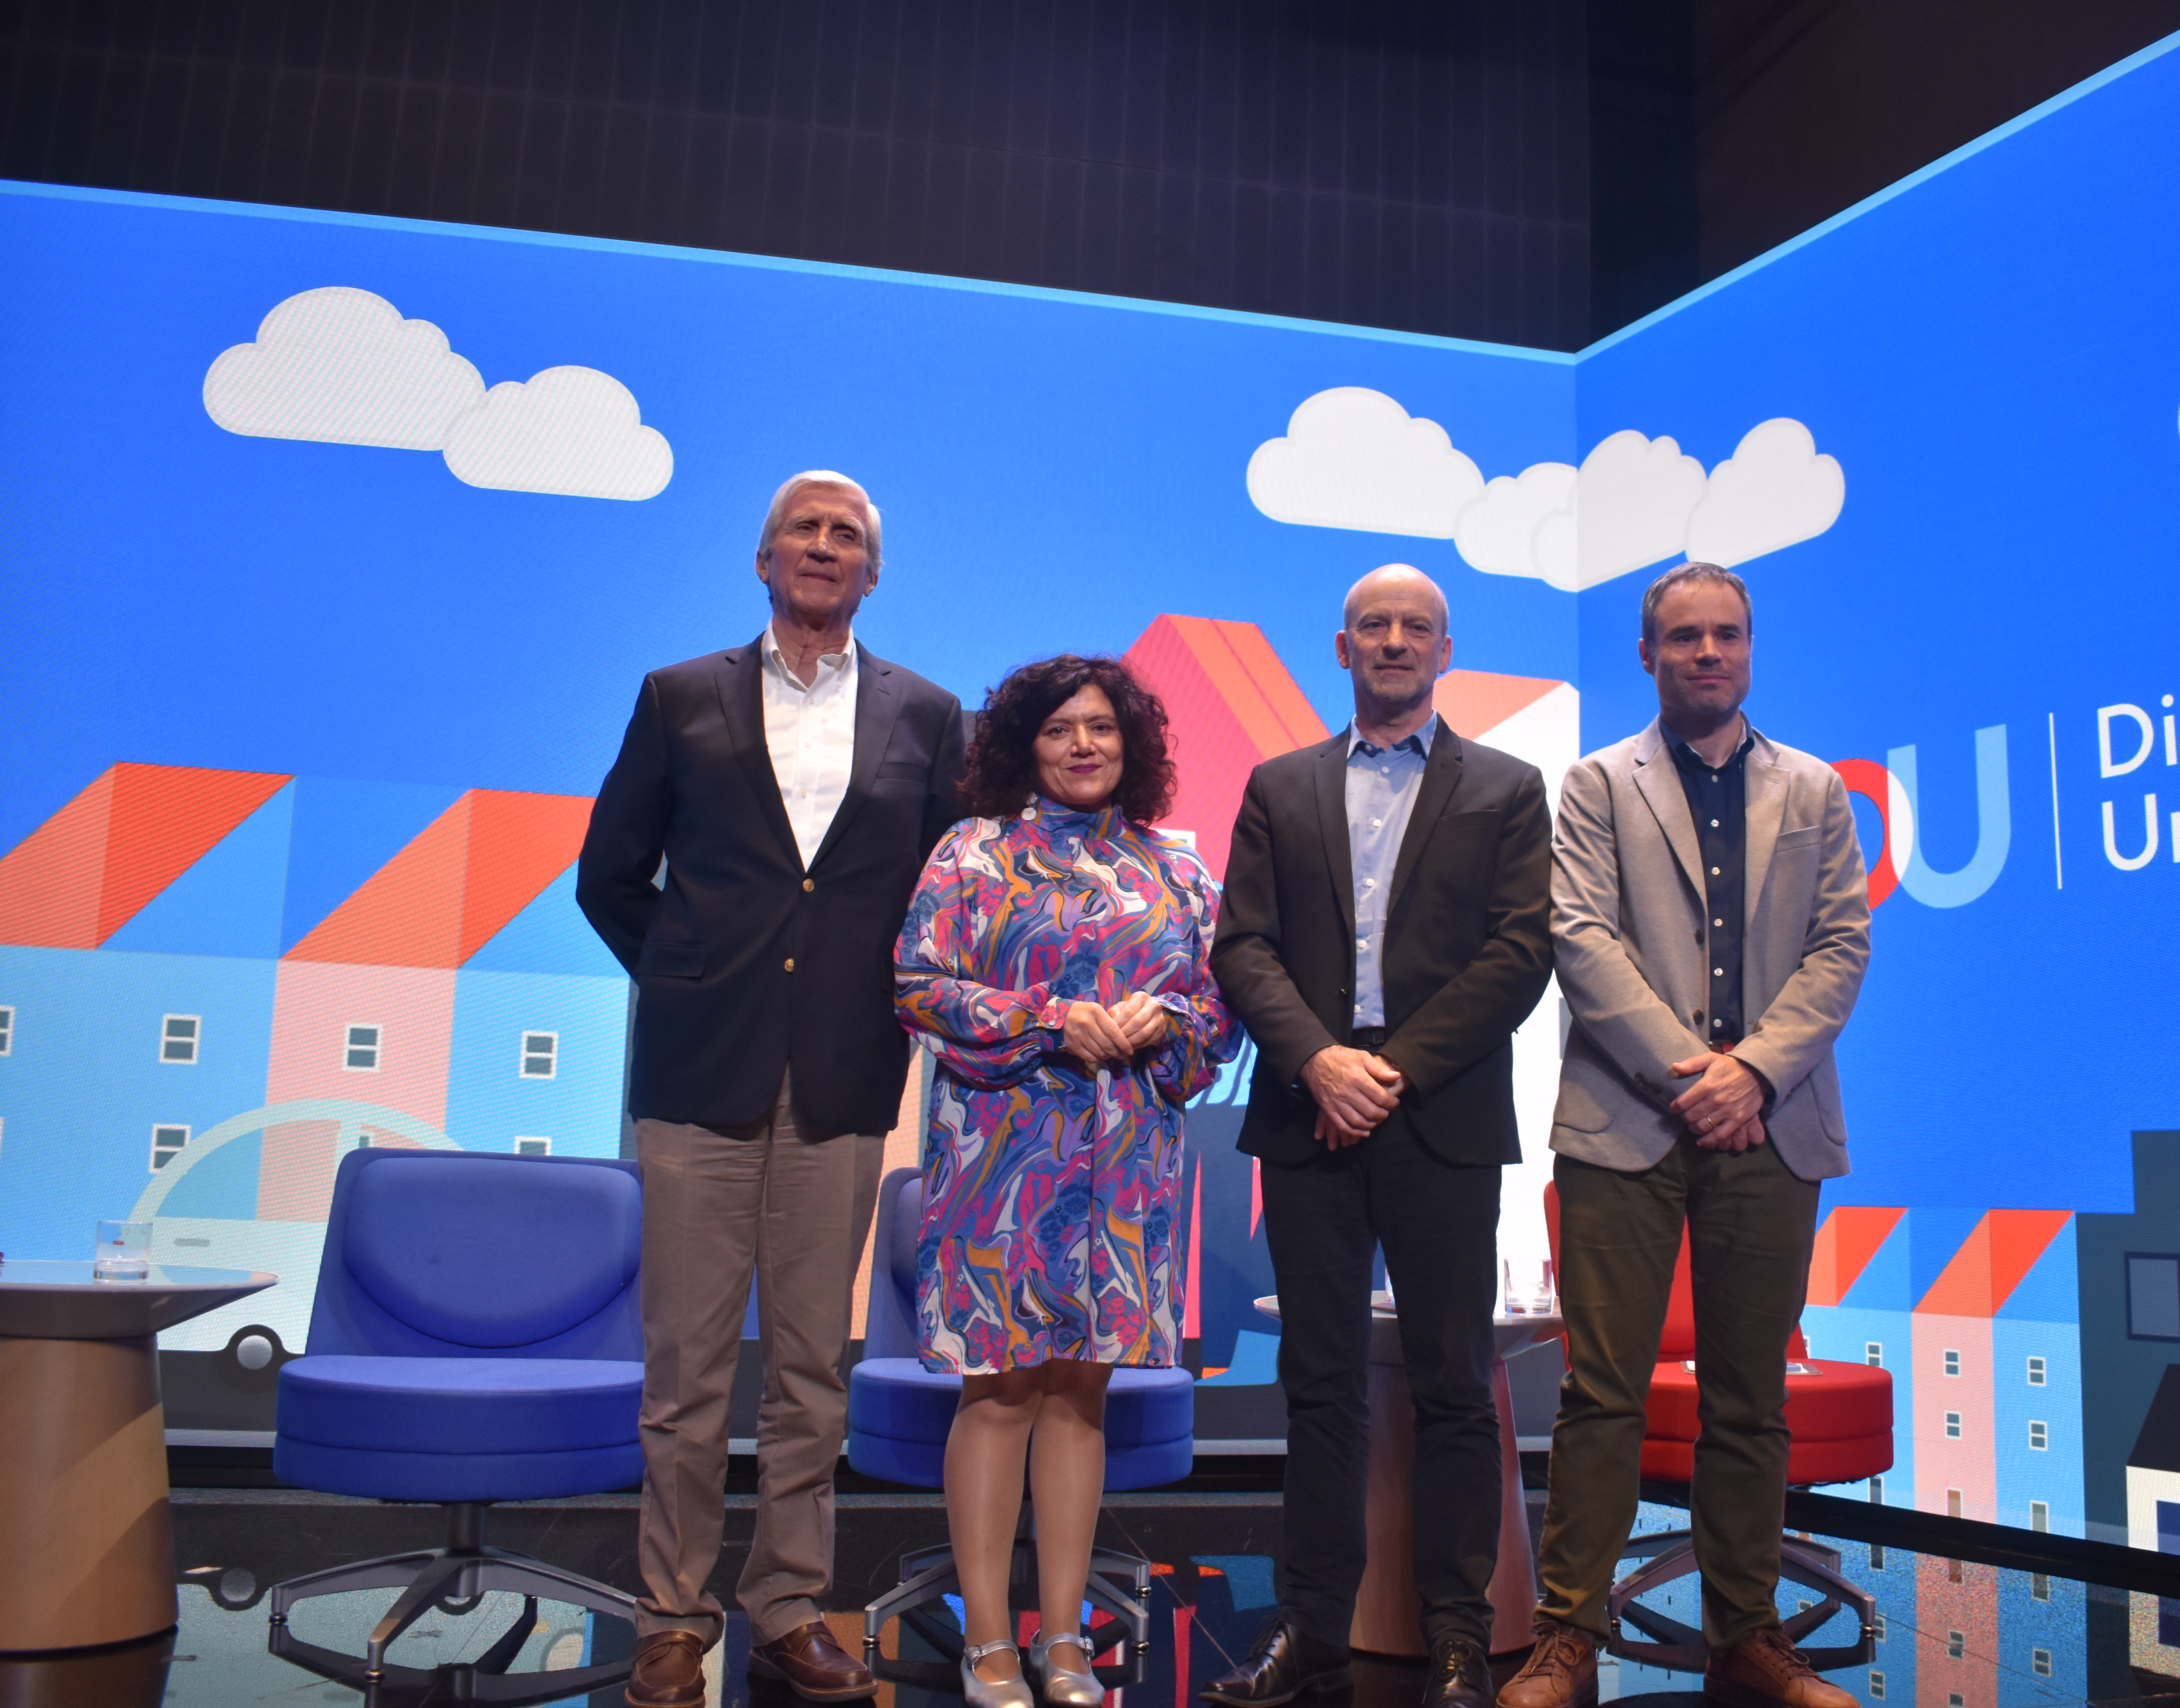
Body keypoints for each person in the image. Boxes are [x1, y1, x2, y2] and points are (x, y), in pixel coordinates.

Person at [577, 471, 964, 1708]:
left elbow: (944, 899)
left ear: (872, 574)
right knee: (687, 1372)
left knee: (810, 1368)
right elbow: (609, 874)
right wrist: (688, 978)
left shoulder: (930, 715)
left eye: (848, 535)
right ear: (765, 558)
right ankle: (671, 1619)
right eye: (805, 527)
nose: (825, 545)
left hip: (845, 1074)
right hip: (699, 1072)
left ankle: (789, 1607)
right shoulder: (679, 694)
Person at [1496, 563, 1870, 1708]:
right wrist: (1694, 1075)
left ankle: (1746, 1634)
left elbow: (1840, 947)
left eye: (1727, 635)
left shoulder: (1816, 788)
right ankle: (1569, 1633)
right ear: (1648, 653)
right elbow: (1580, 936)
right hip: (1626, 1123)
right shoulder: (1598, 784)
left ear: (1750, 647)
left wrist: (1751, 1071)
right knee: (1601, 1393)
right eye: (1685, 636)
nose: (1708, 652)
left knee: (1748, 1397)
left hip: (1774, 1123)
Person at [1206, 566, 1555, 1708]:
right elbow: (1243, 945)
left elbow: (1521, 950)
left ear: (1446, 650)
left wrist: (1389, 1072)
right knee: (1319, 1389)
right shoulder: (1279, 785)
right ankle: (1313, 1629)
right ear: (1342, 646)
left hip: (1439, 1120)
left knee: (1455, 1385)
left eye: (1416, 627)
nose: (1394, 640)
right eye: (1373, 625)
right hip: (1308, 1117)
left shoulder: (1507, 788)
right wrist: (1319, 1061)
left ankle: (1459, 1640)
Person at [895, 655, 1242, 1708]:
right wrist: (1051, 1018)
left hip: (1128, 1165)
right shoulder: (971, 853)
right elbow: (919, 986)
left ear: (1131, 742)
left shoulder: (1176, 870)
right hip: (998, 1159)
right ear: (1023, 746)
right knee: (1000, 1388)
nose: (1083, 744)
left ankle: (1064, 1642)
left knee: (1082, 1389)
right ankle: (987, 1641)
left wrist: (1168, 1017)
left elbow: (1221, 1011)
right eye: (1058, 729)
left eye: (1101, 726)